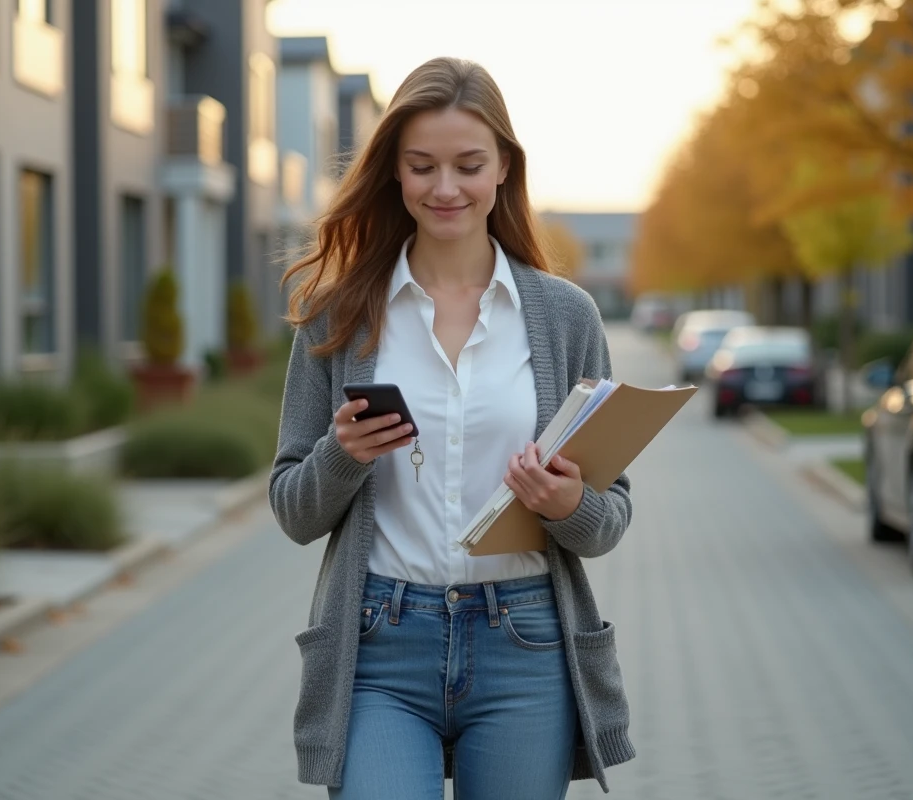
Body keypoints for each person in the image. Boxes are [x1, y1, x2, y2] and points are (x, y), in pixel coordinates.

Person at [269, 56, 635, 800]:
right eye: (421, 166)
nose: (444, 188)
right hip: (378, 645)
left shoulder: (566, 318)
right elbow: (291, 511)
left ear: (504, 167)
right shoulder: (339, 318)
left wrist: (569, 505)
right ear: (394, 174)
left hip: (525, 642)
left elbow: (608, 523)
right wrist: (341, 458)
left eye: (468, 165)